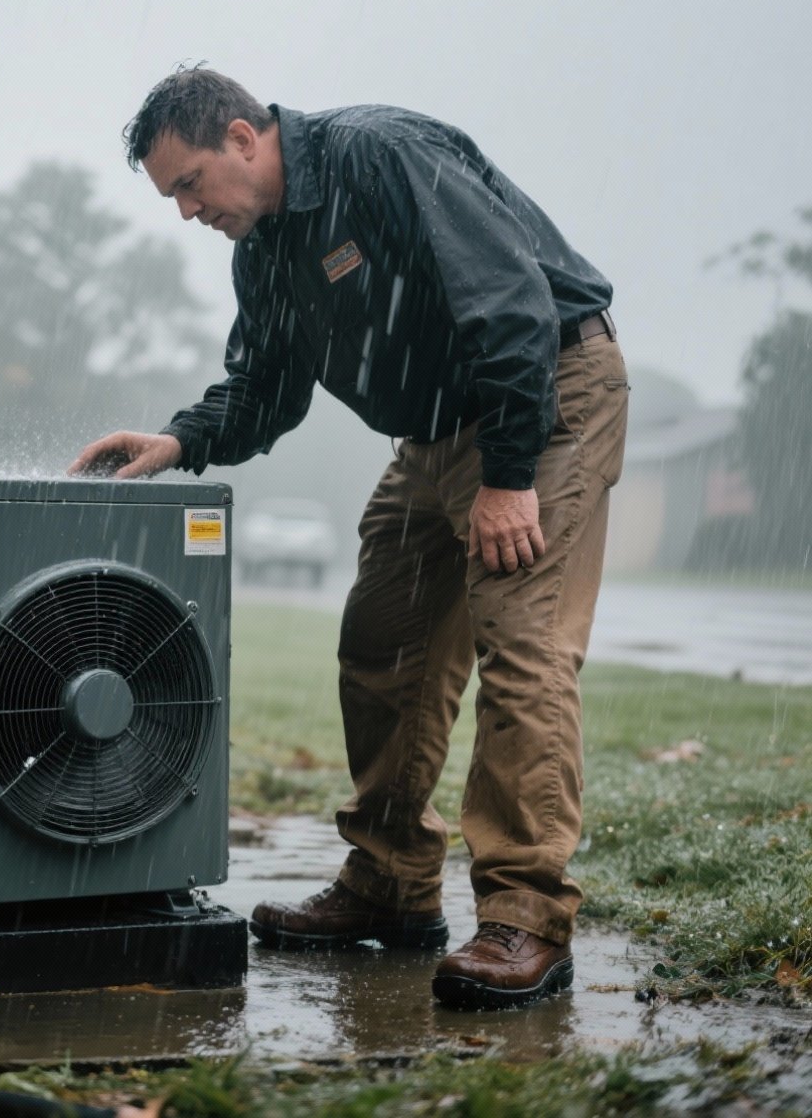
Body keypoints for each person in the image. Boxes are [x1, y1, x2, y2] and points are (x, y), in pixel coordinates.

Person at [69, 67, 628, 1011]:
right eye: (173, 197)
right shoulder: (266, 254)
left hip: (546, 397)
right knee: (382, 646)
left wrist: (507, 475)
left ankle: (526, 920)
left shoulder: (381, 155)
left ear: (245, 137)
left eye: (191, 184)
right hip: (435, 432)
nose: (187, 211)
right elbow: (263, 392)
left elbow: (511, 302)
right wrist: (176, 440)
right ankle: (392, 883)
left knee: (523, 648)